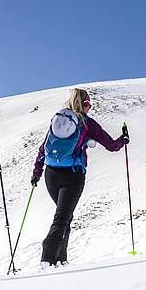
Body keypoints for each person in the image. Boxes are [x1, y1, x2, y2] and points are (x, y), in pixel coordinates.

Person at [31, 88, 129, 268]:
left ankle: (61, 259)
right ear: (84, 104)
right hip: (73, 175)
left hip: (50, 174)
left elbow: (43, 147)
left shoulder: (58, 121)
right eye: (88, 104)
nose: (89, 108)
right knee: (62, 217)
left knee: (65, 215)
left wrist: (36, 173)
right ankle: (48, 255)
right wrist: (124, 139)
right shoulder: (87, 123)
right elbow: (112, 146)